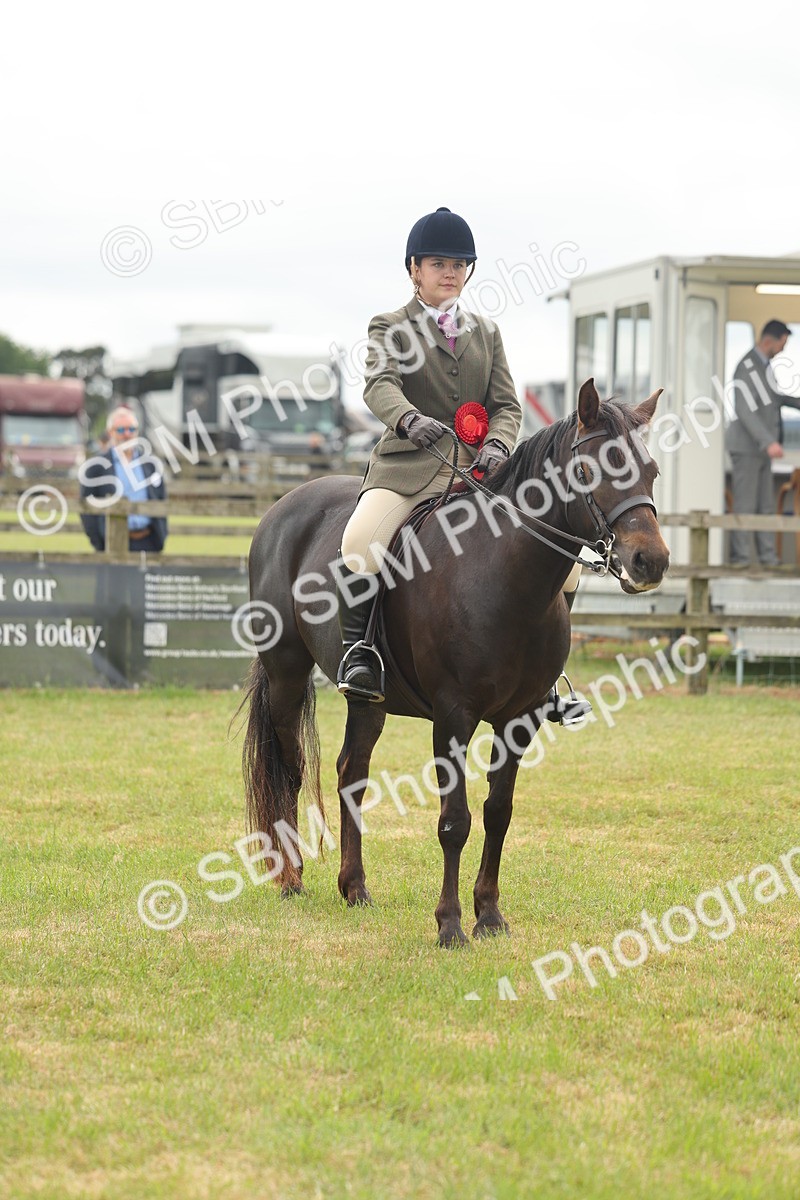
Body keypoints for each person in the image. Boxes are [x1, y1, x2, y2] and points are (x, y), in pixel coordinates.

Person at [336, 205, 591, 725]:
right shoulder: (390, 326)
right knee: (360, 541)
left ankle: (543, 678)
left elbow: (507, 404)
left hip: (478, 474)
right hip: (409, 467)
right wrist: (408, 420)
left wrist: (498, 444)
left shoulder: (486, 332)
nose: (449, 273)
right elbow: (378, 384)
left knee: (561, 563)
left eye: (458, 265)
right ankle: (359, 654)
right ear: (415, 270)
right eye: (438, 264)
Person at [726, 319, 800, 566]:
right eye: (782, 344)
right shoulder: (747, 366)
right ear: (769, 341)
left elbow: (771, 399)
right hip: (747, 449)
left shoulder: (764, 366)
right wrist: (768, 442)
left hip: (761, 451)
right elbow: (745, 410)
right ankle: (741, 561)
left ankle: (769, 560)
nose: (783, 350)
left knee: (766, 507)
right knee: (745, 507)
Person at [80, 406, 168, 553]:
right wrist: (99, 543)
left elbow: (162, 500)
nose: (127, 434)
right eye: (121, 430)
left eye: (131, 429)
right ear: (110, 433)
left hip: (149, 542)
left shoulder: (151, 464)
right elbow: (85, 508)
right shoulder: (96, 466)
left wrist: (161, 535)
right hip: (112, 542)